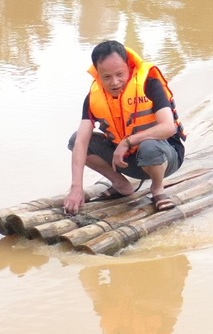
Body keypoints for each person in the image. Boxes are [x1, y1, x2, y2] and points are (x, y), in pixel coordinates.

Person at [64, 39, 186, 214]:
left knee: (149, 146)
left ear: (129, 66)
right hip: (125, 161)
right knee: (75, 139)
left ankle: (158, 189)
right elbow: (81, 142)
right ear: (98, 74)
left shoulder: (149, 84)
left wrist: (128, 142)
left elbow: (168, 127)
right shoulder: (93, 97)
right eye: (106, 77)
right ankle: (121, 184)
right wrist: (76, 187)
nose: (114, 82)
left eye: (120, 74)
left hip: (165, 157)